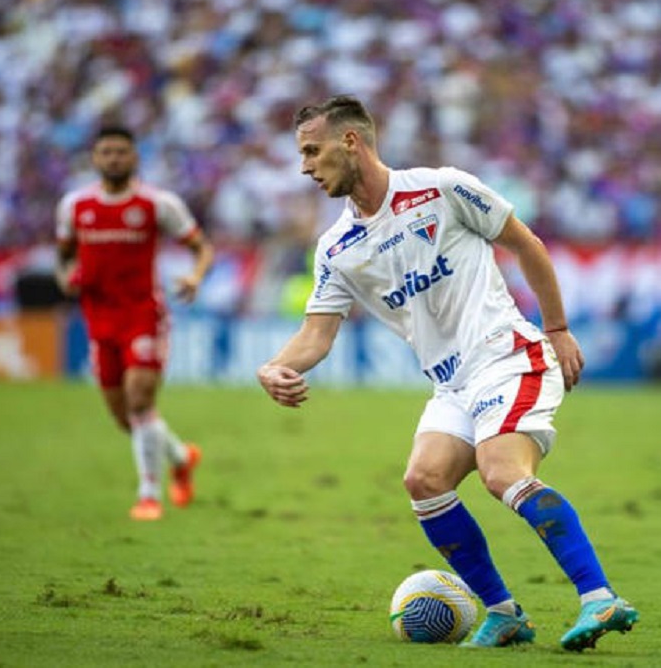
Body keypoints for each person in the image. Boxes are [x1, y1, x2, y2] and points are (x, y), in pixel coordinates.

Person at [256, 95, 639, 651]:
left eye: (312, 151)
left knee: (501, 472)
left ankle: (599, 598)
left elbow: (526, 244)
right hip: (452, 383)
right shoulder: (336, 249)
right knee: (425, 481)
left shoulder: (441, 188)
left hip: (508, 355)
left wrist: (556, 329)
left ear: (351, 142)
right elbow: (317, 334)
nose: (305, 166)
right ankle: (505, 613)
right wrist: (274, 367)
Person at [55, 125, 214, 520]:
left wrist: (194, 277)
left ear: (134, 157)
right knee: (127, 418)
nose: (113, 159)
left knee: (141, 401)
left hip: (143, 315)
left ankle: (148, 496)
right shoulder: (75, 207)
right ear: (94, 158)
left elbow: (202, 248)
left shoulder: (157, 204)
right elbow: (63, 257)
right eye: (106, 152)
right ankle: (180, 457)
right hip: (98, 320)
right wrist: (66, 280)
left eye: (121, 152)